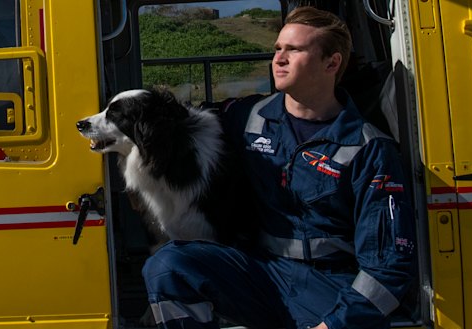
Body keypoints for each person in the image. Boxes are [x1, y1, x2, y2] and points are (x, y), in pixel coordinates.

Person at [142, 6, 416, 329]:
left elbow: (388, 268)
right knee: (168, 266)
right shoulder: (248, 118)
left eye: (294, 50)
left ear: (332, 63)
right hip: (263, 272)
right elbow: (182, 125)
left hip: (329, 283)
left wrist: (335, 326)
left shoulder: (368, 148)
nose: (279, 59)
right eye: (277, 49)